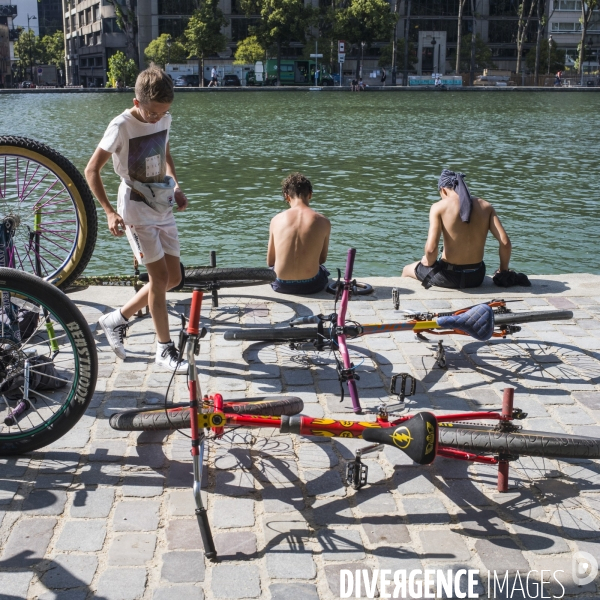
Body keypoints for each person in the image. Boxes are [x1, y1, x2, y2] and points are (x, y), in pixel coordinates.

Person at [85, 65, 189, 372]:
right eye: (153, 112)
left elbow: (164, 148)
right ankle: (163, 349)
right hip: (133, 206)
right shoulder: (120, 126)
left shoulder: (164, 117)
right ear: (136, 102)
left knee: (174, 277)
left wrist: (176, 183)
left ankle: (116, 319)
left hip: (162, 202)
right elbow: (92, 170)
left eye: (163, 112)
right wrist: (108, 211)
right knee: (158, 279)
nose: (158, 117)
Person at [402, 169, 512, 289]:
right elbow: (505, 243)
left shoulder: (439, 207)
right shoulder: (486, 207)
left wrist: (427, 262)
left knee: (407, 269)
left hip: (448, 277)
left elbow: (431, 250)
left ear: (443, 190)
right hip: (477, 277)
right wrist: (503, 271)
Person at [268, 173, 331, 295]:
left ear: (287, 197)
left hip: (281, 284)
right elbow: (322, 259)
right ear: (310, 194)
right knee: (323, 270)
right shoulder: (323, 221)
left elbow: (271, 261)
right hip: (311, 285)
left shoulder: (276, 219)